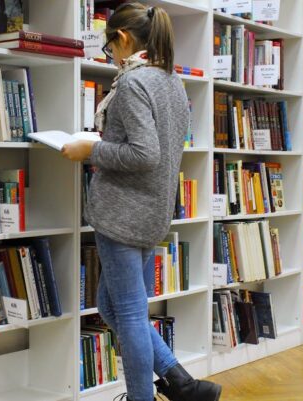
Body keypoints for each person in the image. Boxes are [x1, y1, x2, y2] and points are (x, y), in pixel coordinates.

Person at [61, 3, 221, 401]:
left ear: (125, 39)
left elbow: (144, 154)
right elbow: (160, 151)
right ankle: (183, 385)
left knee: (129, 313)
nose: (109, 54)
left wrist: (90, 150)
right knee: (113, 309)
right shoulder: (170, 81)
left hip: (122, 213)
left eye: (109, 45)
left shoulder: (133, 84)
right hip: (151, 212)